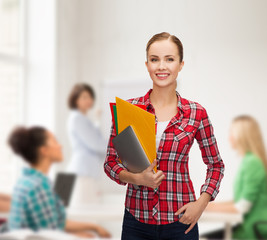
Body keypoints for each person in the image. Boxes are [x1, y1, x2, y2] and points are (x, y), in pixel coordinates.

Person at [104, 32, 225, 240]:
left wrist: (201, 204)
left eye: (169, 59)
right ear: (147, 64)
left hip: (181, 223)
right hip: (136, 221)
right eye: (154, 59)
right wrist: (137, 178)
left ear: (181, 64)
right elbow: (110, 163)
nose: (161, 66)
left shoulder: (196, 113)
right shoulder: (128, 109)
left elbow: (216, 165)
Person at [6, 126, 111, 238]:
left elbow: (56, 223)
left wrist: (93, 227)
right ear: (44, 150)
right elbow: (49, 234)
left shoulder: (26, 180)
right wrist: (80, 236)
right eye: (54, 141)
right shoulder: (39, 186)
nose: (60, 145)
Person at [204, 115, 267, 239]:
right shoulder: (249, 160)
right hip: (248, 226)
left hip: (254, 230)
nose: (229, 138)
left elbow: (242, 207)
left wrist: (205, 208)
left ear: (242, 136)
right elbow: (240, 200)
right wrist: (206, 205)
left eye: (232, 133)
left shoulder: (252, 162)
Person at [67, 83, 106, 178]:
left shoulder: (82, 118)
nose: (89, 100)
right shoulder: (77, 118)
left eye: (90, 97)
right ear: (76, 100)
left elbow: (95, 137)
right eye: (84, 97)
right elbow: (95, 143)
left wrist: (97, 119)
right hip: (82, 171)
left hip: (83, 171)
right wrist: (116, 146)